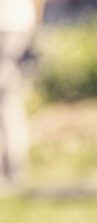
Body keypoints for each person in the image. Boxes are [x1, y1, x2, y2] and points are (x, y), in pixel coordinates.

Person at [0, 0, 40, 189]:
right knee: (7, 98)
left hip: (8, 23)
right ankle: (12, 172)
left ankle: (11, 172)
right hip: (20, 23)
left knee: (5, 98)